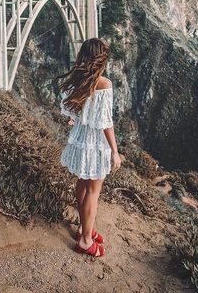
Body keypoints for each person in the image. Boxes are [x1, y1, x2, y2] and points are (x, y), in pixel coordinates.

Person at [56, 37, 121, 258]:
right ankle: (85, 240)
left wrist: (75, 120)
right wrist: (115, 151)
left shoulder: (77, 80)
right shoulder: (104, 84)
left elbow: (71, 112)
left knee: (83, 184)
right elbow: (106, 123)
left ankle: (86, 229)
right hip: (95, 144)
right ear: (101, 59)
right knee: (94, 191)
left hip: (80, 139)